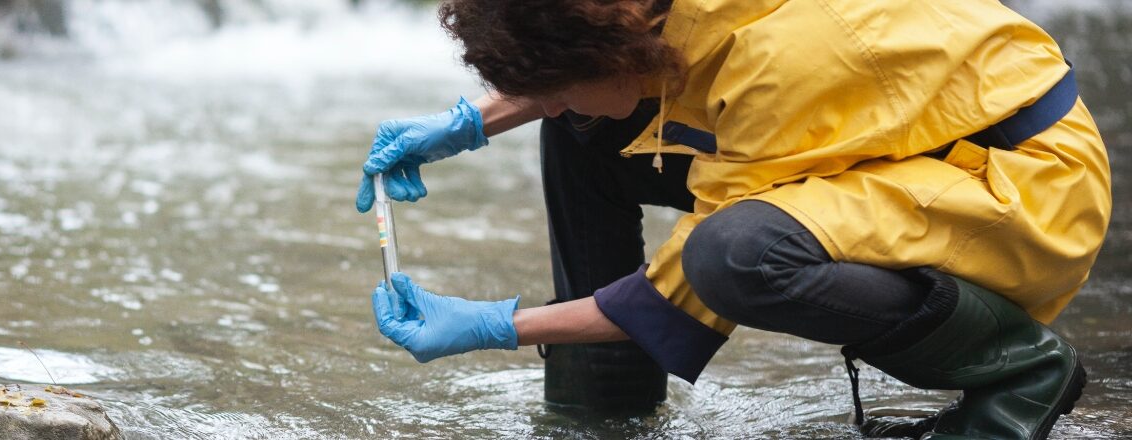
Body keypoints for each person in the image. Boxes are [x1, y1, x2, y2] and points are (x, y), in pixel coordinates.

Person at [358, 0, 1111, 438]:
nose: (549, 100)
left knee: (737, 255)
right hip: (908, 137)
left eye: (555, 83)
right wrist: (469, 123)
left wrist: (496, 325)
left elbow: (681, 289)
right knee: (581, 130)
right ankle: (607, 399)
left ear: (610, 51)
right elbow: (603, 67)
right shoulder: (652, 17)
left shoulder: (774, 69)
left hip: (1020, 184)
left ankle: (1018, 367)